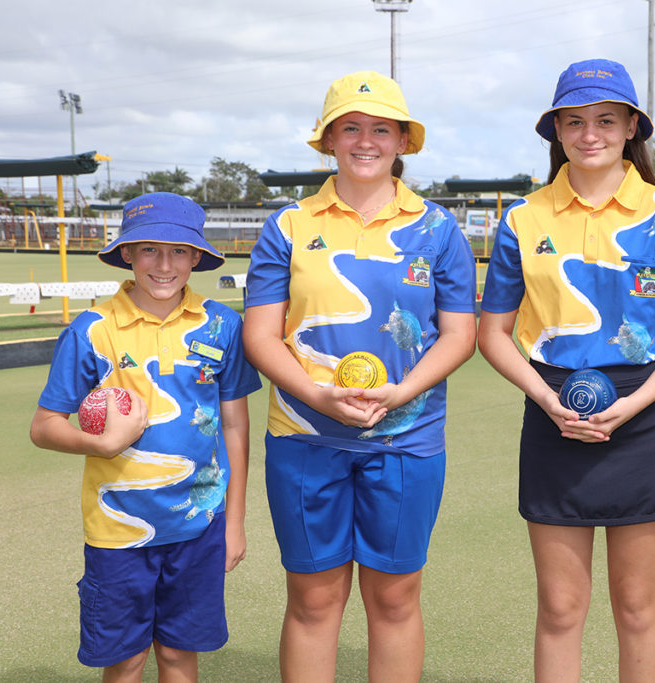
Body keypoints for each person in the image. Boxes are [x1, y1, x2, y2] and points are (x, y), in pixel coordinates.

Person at [477, 58, 655, 681]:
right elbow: (493, 334)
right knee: (561, 607)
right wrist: (545, 398)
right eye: (575, 121)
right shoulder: (521, 217)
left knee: (637, 607)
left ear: (631, 128)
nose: (590, 134)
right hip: (554, 409)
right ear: (556, 131)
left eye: (606, 120)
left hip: (644, 416)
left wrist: (633, 404)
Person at [243, 70, 476, 682]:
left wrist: (401, 392)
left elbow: (460, 334)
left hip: (406, 437)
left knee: (395, 599)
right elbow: (262, 336)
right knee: (314, 600)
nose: (365, 141)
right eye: (350, 127)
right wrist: (318, 394)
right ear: (328, 140)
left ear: (403, 140)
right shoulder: (287, 225)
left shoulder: (438, 228)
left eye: (380, 128)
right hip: (303, 436)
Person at [29, 192, 262, 682]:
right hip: (118, 529)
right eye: (149, 249)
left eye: (178, 251)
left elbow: (236, 426)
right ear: (127, 254)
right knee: (127, 659)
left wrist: (234, 521)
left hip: (200, 527)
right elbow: (44, 426)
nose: (164, 264)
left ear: (196, 257)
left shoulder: (222, 325)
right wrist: (100, 444)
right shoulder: (93, 330)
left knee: (179, 656)